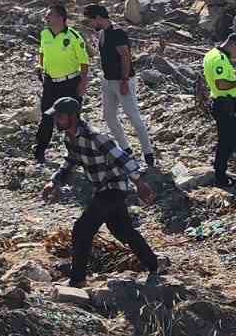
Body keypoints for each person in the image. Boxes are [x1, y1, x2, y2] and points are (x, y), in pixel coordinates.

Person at [39, 96, 158, 289]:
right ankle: (153, 264)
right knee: (121, 230)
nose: (56, 121)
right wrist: (54, 181)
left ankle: (77, 280)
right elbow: (70, 161)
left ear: (72, 117)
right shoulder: (69, 137)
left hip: (114, 187)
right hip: (102, 188)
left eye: (59, 117)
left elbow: (122, 158)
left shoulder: (95, 136)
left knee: (82, 229)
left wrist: (139, 183)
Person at [84, 4, 155, 168]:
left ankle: (148, 153)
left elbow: (125, 57)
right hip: (108, 81)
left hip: (123, 81)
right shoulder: (101, 33)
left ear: (98, 18)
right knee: (109, 116)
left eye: (91, 21)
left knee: (133, 117)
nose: (90, 25)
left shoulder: (117, 33)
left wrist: (124, 80)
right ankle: (125, 149)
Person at [33, 1, 89, 164]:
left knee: (72, 119)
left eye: (50, 14)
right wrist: (40, 65)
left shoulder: (73, 36)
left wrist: (83, 83)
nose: (46, 17)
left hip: (70, 83)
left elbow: (84, 62)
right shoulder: (45, 34)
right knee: (47, 116)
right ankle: (40, 151)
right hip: (50, 83)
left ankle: (76, 154)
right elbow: (42, 52)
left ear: (60, 17)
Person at [203, 33, 236, 190]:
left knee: (225, 143)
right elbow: (220, 84)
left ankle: (220, 177)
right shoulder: (219, 58)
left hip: (220, 105)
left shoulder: (212, 55)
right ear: (232, 44)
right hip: (228, 106)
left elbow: (222, 77)